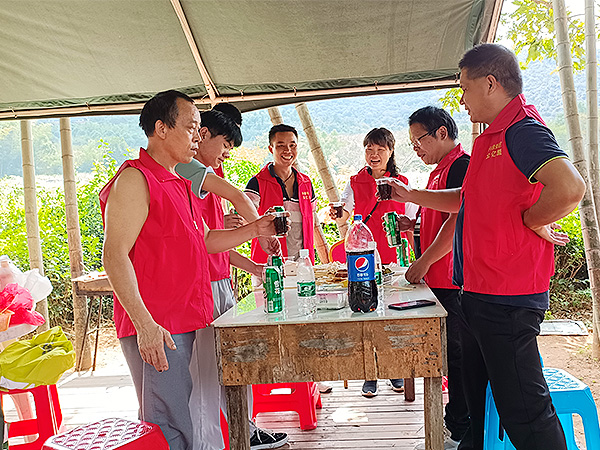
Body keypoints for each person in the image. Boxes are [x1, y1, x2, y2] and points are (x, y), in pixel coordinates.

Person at [384, 44, 586, 450]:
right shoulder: (491, 138)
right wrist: (412, 194)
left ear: (490, 83)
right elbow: (467, 198)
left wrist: (531, 220)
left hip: (508, 297)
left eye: (465, 87)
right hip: (477, 293)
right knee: (476, 405)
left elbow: (569, 188)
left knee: (525, 413)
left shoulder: (521, 129)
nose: (461, 98)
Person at [100, 90, 281, 450]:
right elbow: (114, 254)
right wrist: (145, 324)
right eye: (191, 128)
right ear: (161, 129)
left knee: (191, 418)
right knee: (167, 424)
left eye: (200, 130)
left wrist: (253, 230)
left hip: (187, 316)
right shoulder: (136, 179)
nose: (197, 138)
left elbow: (203, 240)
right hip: (159, 324)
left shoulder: (180, 181)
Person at [177, 107, 288, 450]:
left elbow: (213, 241)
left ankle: (243, 430)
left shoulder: (209, 173)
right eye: (226, 141)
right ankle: (217, 439)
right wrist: (261, 232)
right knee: (205, 378)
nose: (228, 151)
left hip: (218, 280)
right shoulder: (187, 170)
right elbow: (235, 204)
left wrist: (252, 265)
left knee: (229, 366)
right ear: (202, 133)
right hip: (198, 287)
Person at [403, 106, 470, 450]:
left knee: (458, 357)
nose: (415, 148)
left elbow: (457, 220)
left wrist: (424, 261)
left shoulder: (461, 166)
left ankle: (458, 428)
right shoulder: (437, 171)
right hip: (439, 279)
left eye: (419, 139)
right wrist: (413, 226)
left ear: (442, 133)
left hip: (454, 279)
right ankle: (455, 424)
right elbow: (437, 216)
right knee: (449, 355)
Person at [330, 127, 416, 398]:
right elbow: (344, 212)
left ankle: (395, 369)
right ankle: (371, 374)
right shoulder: (355, 181)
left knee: (394, 315)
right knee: (366, 311)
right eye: (369, 149)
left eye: (380, 149)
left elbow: (413, 220)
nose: (374, 154)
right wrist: (338, 213)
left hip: (395, 258)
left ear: (391, 152)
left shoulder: (401, 181)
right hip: (364, 257)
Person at [245, 124, 326, 264]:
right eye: (281, 145)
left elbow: (311, 220)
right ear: (271, 149)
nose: (288, 150)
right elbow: (246, 219)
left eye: (292, 145)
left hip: (303, 263)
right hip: (269, 264)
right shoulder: (257, 183)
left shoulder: (306, 183)